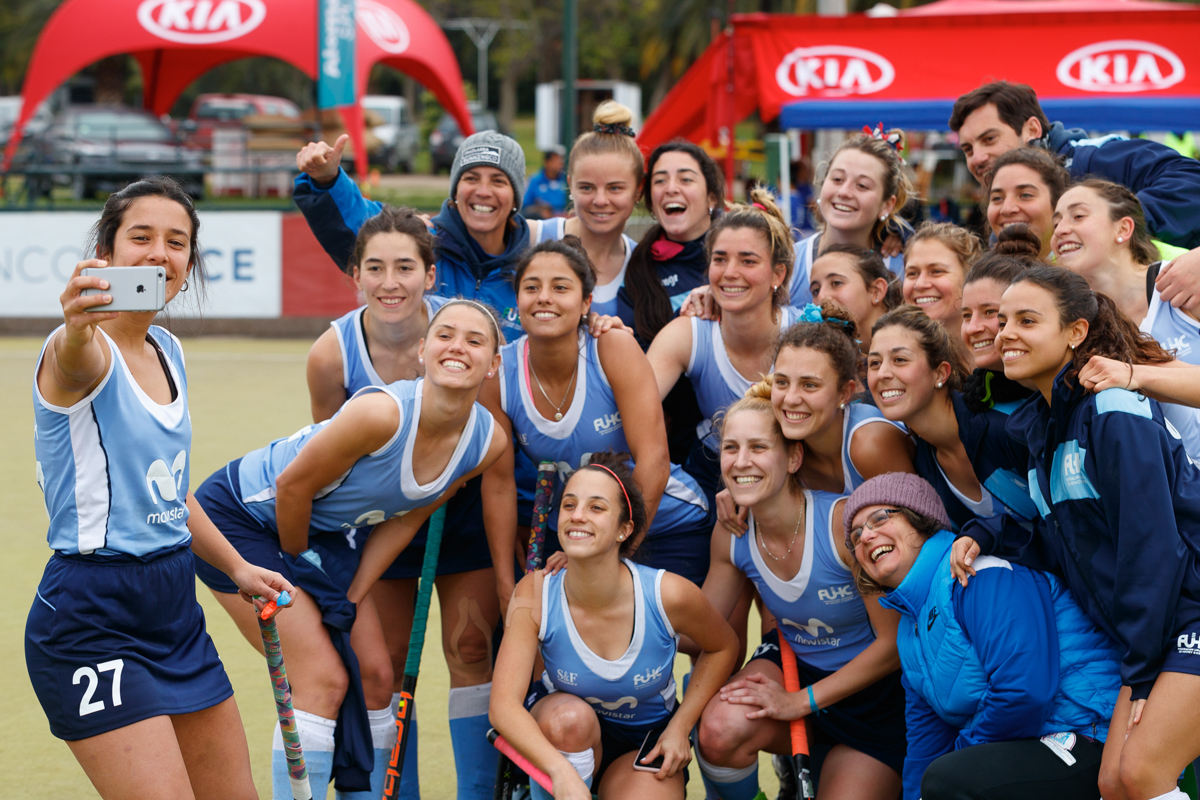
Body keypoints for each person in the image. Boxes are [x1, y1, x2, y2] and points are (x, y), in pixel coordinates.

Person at [25, 177, 294, 800]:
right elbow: (75, 359)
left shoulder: (167, 349)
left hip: (173, 607)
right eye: (139, 237)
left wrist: (237, 567)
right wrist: (73, 325)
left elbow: (168, 492)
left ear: (189, 263)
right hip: (93, 613)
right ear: (108, 252)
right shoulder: (80, 350)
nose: (158, 254)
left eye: (177, 242)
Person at [193, 300, 509, 800]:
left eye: (475, 340)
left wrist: (356, 592)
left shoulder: (485, 442)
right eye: (445, 335)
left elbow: (409, 517)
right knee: (320, 677)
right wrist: (307, 572)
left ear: (495, 362)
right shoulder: (381, 412)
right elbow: (292, 487)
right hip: (240, 518)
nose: (458, 348)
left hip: (322, 536)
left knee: (378, 676)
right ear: (423, 350)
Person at [951, 266, 1200, 800]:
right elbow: (1059, 539)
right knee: (1113, 783)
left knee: (1139, 775)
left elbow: (1151, 548)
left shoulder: (1113, 409)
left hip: (1186, 615)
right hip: (1154, 632)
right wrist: (988, 534)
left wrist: (1141, 667)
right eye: (1003, 321)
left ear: (1075, 333)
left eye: (1027, 320)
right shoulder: (1042, 429)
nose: (1005, 333)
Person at [305, 209, 510, 799]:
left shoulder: (464, 334)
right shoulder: (331, 355)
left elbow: (494, 461)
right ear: (356, 277)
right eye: (375, 269)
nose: (390, 282)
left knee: (471, 645)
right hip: (381, 522)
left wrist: (502, 572)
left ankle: (476, 792)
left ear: (431, 274)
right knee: (387, 665)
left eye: (404, 267)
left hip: (461, 512)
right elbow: (331, 465)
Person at [847, 473, 1121, 800]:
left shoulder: (979, 572)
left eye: (880, 518)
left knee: (949, 780)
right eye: (855, 534)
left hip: (1092, 737)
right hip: (1022, 750)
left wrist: (960, 755)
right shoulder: (909, 632)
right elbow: (925, 742)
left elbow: (1025, 690)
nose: (866, 536)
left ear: (920, 519)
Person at [694, 388, 906, 800]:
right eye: (730, 448)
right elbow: (694, 630)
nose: (740, 462)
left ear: (793, 458)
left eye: (758, 447)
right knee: (719, 729)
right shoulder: (732, 531)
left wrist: (802, 702)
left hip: (872, 697)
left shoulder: (842, 523)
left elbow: (893, 644)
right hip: (795, 669)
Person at [489, 454, 740, 800]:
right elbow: (503, 706)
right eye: (569, 504)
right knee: (569, 720)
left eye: (596, 508)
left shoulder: (668, 593)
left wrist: (681, 726)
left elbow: (723, 646)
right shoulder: (534, 592)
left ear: (625, 529)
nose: (577, 515)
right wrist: (561, 774)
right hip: (565, 735)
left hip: (643, 743)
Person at [481, 237, 712, 598]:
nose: (544, 297)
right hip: (580, 535)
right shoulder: (499, 375)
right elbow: (498, 486)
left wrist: (613, 551)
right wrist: (503, 583)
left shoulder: (612, 347)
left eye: (561, 287)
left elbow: (654, 460)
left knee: (682, 640)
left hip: (665, 521)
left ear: (586, 301)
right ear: (517, 299)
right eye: (531, 287)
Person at [294, 129, 534, 339]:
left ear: (516, 195)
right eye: (471, 178)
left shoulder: (533, 267)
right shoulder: (421, 239)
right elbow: (361, 221)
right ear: (455, 190)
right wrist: (327, 179)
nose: (483, 191)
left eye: (498, 181)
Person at [647, 191, 802, 506]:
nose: (730, 272)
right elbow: (632, 408)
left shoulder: (805, 334)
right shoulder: (691, 333)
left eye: (748, 261)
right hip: (713, 473)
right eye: (720, 259)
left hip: (798, 473)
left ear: (778, 273)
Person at [713, 301, 915, 538]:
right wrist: (745, 490)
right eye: (782, 382)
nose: (790, 399)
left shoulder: (869, 443)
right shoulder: (784, 439)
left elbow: (919, 527)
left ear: (845, 393)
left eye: (809, 385)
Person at [950, 80, 1200, 250]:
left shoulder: (1093, 157)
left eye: (989, 139)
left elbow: (1191, 181)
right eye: (968, 149)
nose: (977, 158)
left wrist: (1113, 226)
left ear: (1032, 130)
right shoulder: (1004, 218)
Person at [1051, 178, 1200, 459]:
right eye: (1056, 222)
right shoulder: (1075, 324)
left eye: (1078, 216)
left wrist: (1135, 375)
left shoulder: (1184, 282)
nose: (1060, 230)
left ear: (1123, 228)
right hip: (1168, 492)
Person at [868, 305, 1037, 529]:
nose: (883, 374)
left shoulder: (1005, 426)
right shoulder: (923, 464)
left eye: (899, 359)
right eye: (874, 363)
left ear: (940, 373)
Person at [534, 102, 642, 317]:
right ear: (570, 185)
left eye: (615, 188)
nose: (600, 200)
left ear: (638, 191)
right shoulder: (531, 238)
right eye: (586, 187)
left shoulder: (643, 265)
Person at [788, 129, 914, 307]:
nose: (844, 192)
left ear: (887, 205)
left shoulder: (904, 270)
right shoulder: (789, 265)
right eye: (837, 179)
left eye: (862, 185)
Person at [618, 139, 726, 345]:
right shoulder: (637, 270)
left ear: (711, 198)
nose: (671, 188)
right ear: (651, 201)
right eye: (660, 181)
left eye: (685, 179)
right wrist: (683, 318)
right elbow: (633, 358)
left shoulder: (744, 251)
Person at [901, 221, 980, 365]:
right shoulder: (893, 358)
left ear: (970, 276)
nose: (920, 284)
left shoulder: (1000, 355)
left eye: (936, 271)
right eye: (912, 273)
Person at [809, 244, 903, 358]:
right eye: (815, 290)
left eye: (836, 283)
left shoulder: (914, 346)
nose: (821, 296)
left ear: (877, 291)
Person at [984, 148, 1068, 259]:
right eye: (997, 198)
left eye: (1026, 195)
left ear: (1057, 204)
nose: (1007, 209)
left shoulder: (1084, 272)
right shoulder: (980, 273)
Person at [523, 146, 568, 219]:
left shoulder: (566, 180)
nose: (559, 163)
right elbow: (525, 207)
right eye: (555, 160)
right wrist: (539, 210)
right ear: (546, 162)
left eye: (561, 160)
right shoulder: (535, 180)